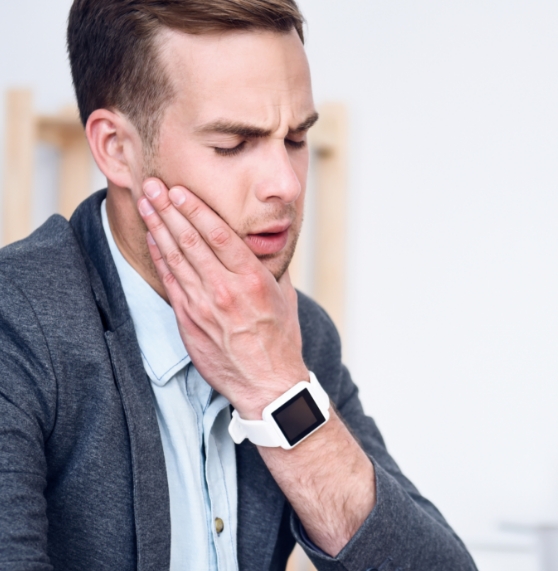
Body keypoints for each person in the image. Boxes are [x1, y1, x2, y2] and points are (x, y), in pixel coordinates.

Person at [0, 1, 477, 570]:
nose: (286, 184)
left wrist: (277, 388)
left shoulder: (291, 335)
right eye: (233, 144)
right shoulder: (17, 326)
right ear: (116, 149)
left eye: (296, 140)